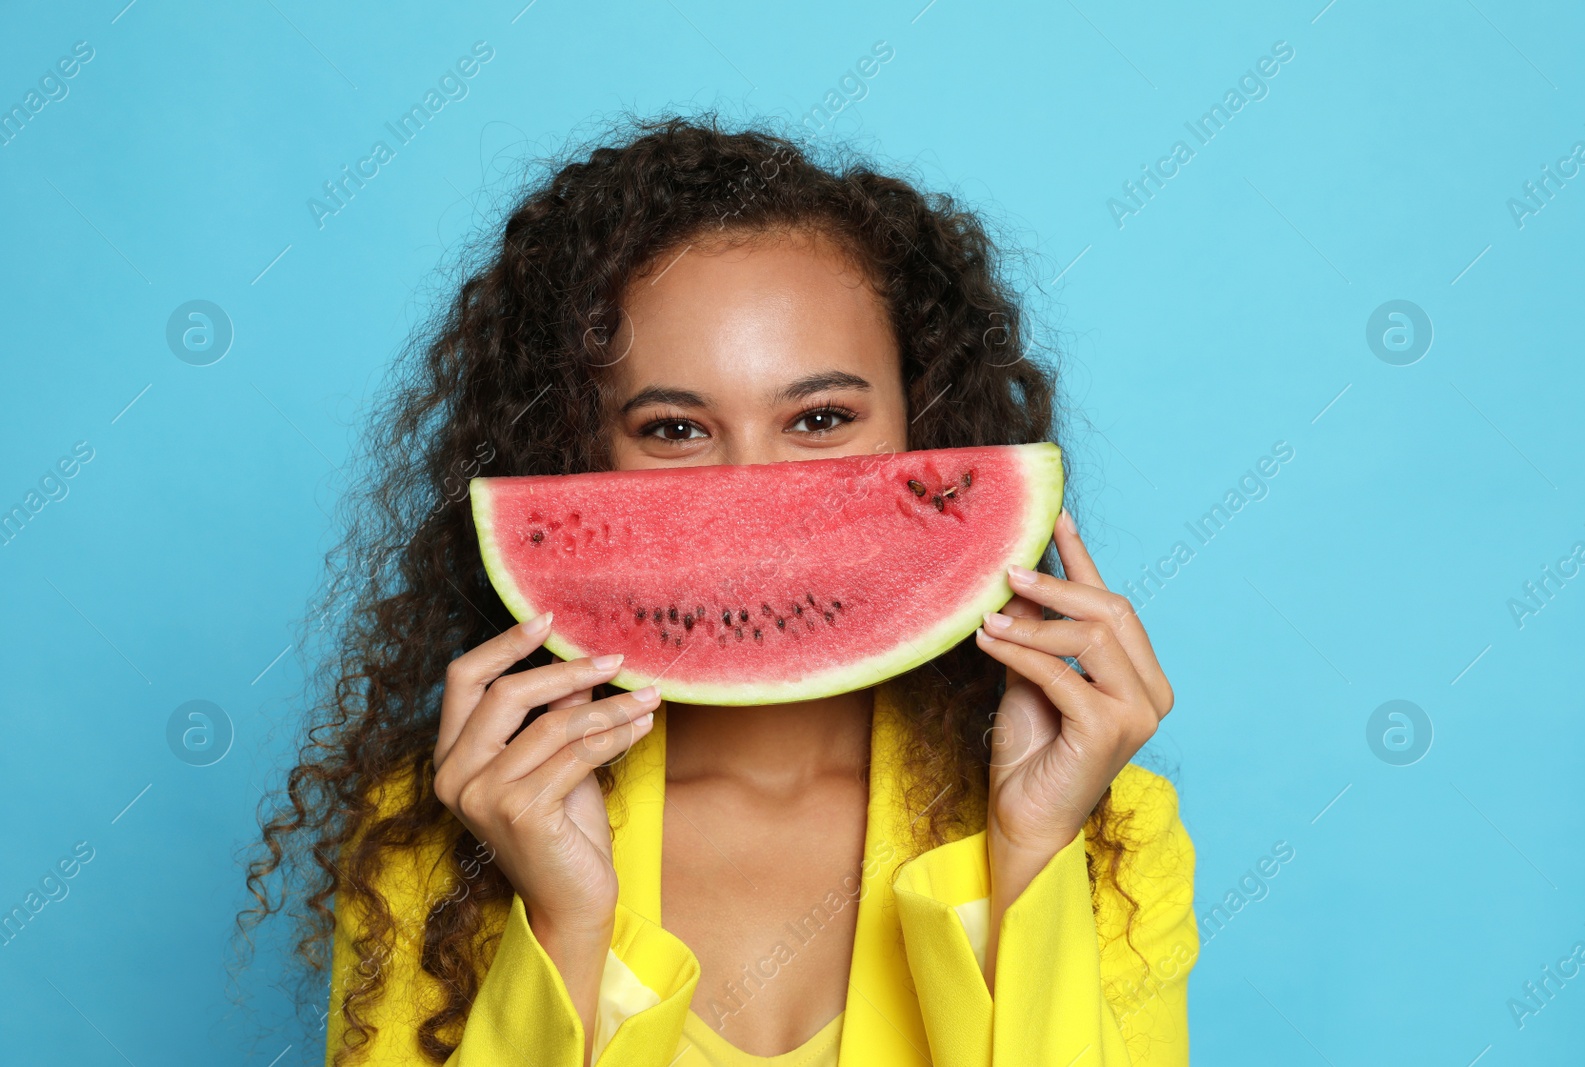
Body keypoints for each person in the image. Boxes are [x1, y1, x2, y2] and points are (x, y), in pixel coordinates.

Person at [242, 114, 1196, 1067]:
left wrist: (1029, 859)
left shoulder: (1109, 834)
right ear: (576, 455)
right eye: (673, 429)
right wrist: (564, 927)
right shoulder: (452, 830)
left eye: (821, 416)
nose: (755, 495)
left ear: (927, 426)